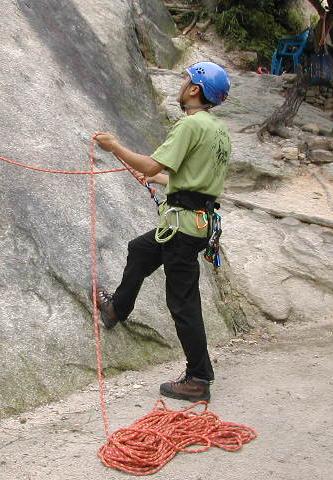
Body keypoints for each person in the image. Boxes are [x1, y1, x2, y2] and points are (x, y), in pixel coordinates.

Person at [92, 61, 231, 402]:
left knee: (183, 303)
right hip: (193, 222)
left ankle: (198, 378)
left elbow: (152, 163)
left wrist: (115, 146)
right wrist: (157, 178)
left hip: (182, 228)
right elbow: (194, 180)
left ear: (195, 89)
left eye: (186, 80)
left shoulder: (190, 124)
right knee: (140, 249)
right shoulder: (218, 131)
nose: (182, 85)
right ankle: (117, 308)